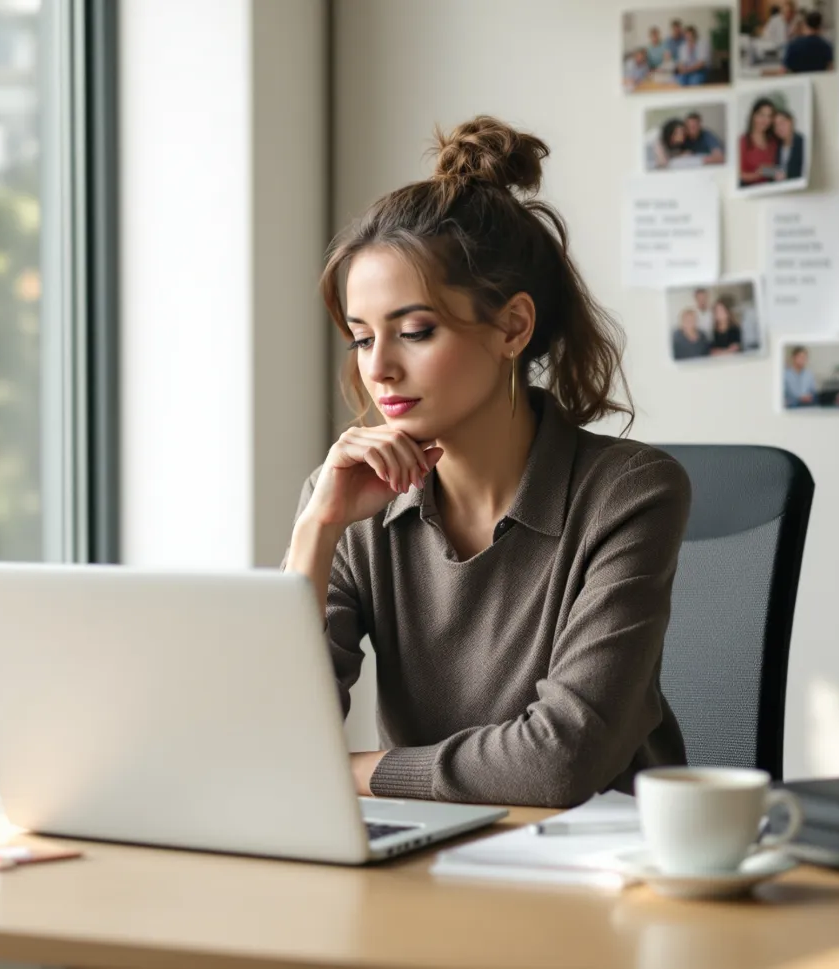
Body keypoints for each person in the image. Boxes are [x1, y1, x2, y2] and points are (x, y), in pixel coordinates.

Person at [288, 115, 690, 807]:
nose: (379, 367)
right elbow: (271, 740)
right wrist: (317, 528)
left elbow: (556, 763)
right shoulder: (347, 497)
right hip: (424, 861)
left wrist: (356, 771)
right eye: (360, 338)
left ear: (513, 326)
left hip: (597, 871)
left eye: (415, 331)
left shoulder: (629, 493)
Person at [739, 97, 780, 187]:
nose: (765, 121)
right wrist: (758, 174)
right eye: (762, 115)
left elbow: (777, 170)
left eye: (769, 116)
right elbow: (740, 175)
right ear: (753, 116)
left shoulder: (774, 142)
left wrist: (773, 172)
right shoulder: (743, 142)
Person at [772, 108, 805, 181]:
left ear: (791, 122)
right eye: (776, 125)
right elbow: (777, 169)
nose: (779, 127)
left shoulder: (802, 143)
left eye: (782, 123)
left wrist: (786, 175)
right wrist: (767, 171)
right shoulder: (777, 146)